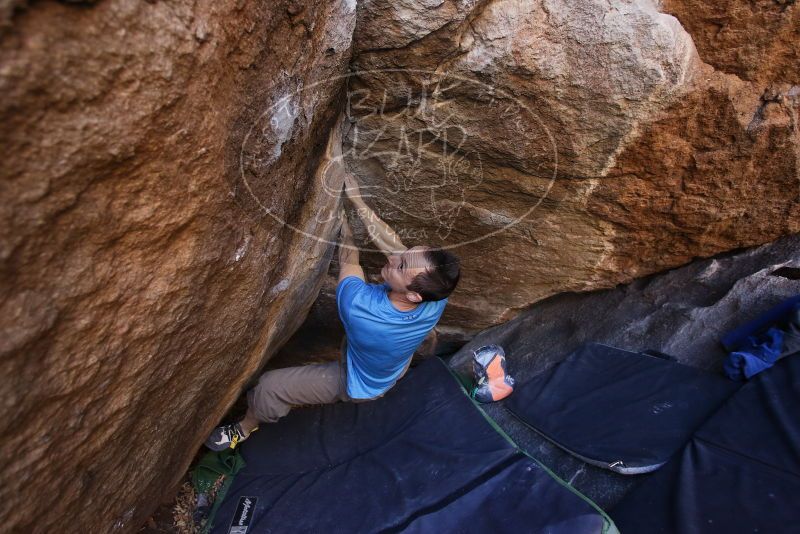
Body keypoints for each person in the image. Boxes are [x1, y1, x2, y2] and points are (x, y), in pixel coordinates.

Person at [204, 167, 461, 451]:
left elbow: (349, 258)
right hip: (390, 365)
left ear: (412, 295)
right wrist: (358, 201)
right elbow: (394, 246)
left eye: (400, 265)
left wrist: (343, 222)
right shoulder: (436, 295)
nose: (395, 257)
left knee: (269, 386)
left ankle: (244, 427)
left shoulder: (360, 308)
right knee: (383, 342)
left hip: (358, 382)